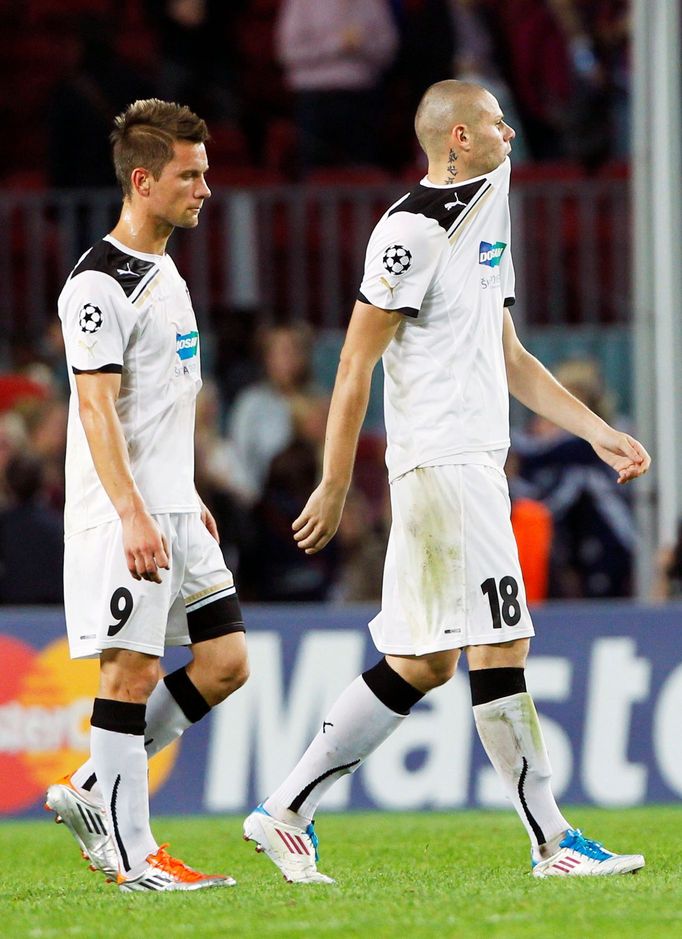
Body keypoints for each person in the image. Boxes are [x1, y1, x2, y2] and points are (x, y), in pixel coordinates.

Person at [243, 79, 650, 883]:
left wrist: (598, 432)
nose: (511, 131)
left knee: (422, 661)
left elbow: (511, 358)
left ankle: (285, 809)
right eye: (497, 122)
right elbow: (355, 360)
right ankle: (554, 841)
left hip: (465, 465)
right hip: (442, 465)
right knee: (503, 641)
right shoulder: (410, 232)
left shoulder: (485, 210)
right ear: (458, 139)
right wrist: (333, 483)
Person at [45, 99, 249, 892]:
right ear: (143, 180)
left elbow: (162, 402)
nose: (206, 188)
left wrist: (185, 489)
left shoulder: (165, 268)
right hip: (121, 509)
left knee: (226, 661)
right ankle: (134, 859)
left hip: (174, 504)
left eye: (205, 172)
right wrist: (133, 507)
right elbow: (96, 406)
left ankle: (96, 785)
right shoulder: (96, 285)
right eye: (189, 176)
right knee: (129, 675)